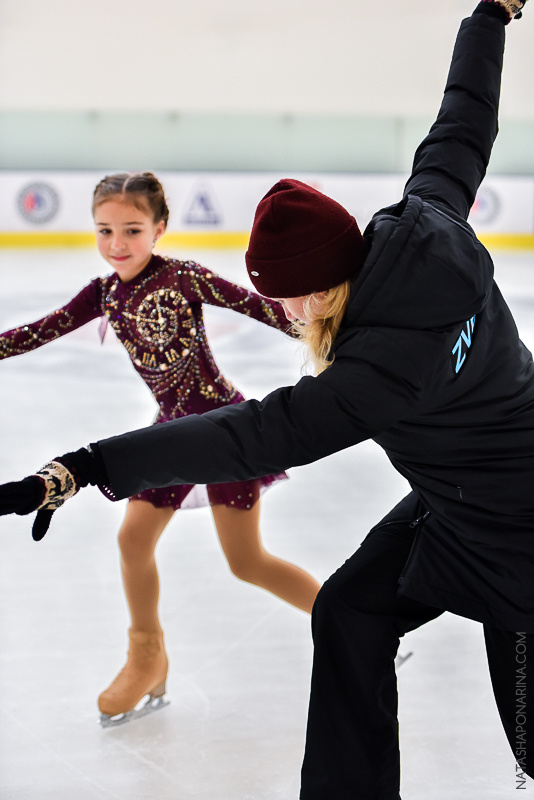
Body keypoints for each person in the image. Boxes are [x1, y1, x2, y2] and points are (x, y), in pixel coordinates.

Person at [0, 0, 532, 795]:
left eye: (283, 299)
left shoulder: (373, 377)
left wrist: (86, 464)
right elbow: (462, 124)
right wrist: (489, 15)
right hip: (455, 491)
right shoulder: (423, 219)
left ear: (318, 292)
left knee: (521, 664)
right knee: (350, 611)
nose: (279, 314)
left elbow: (246, 437)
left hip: (516, 525)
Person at [0, 171, 321, 726]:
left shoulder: (184, 277)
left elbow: (265, 309)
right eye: (104, 231)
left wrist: (342, 330)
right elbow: (39, 330)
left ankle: (355, 623)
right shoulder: (104, 293)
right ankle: (147, 656)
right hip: (170, 431)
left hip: (225, 432)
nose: (116, 244)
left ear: (159, 228)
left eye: (131, 229)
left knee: (247, 563)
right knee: (132, 539)